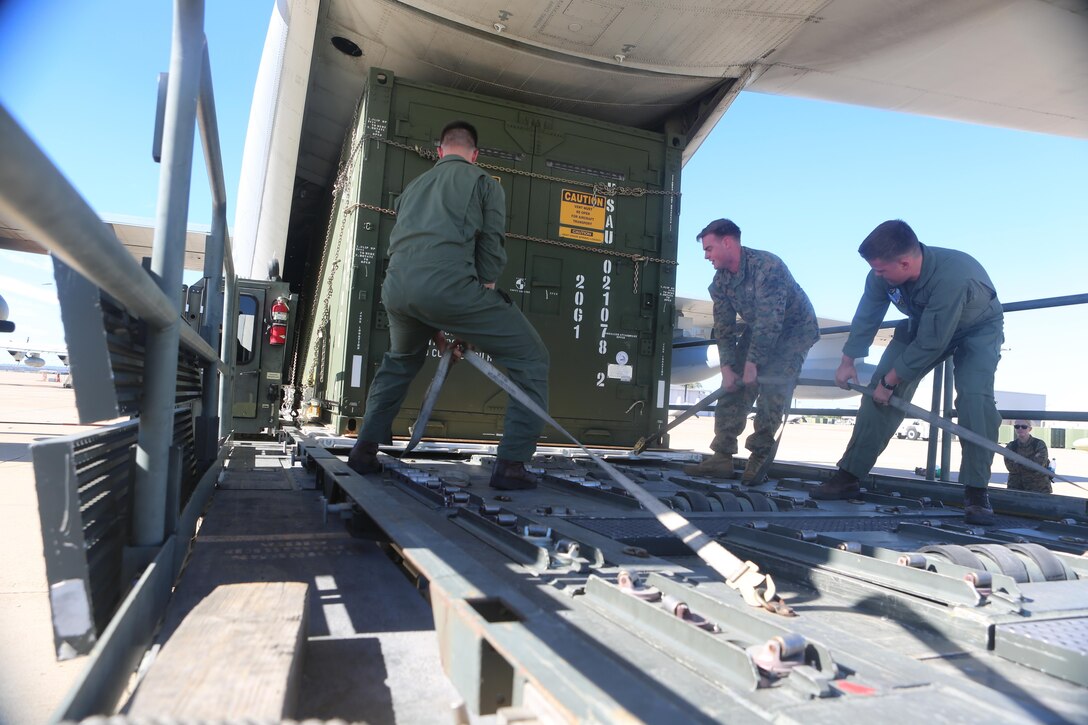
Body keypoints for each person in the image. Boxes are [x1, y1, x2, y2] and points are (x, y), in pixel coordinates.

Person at [346, 120, 549, 490]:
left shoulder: (412, 188)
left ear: (439, 151)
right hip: (448, 290)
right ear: (475, 155)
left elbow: (414, 250)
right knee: (531, 358)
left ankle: (363, 450)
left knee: (400, 361)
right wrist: (476, 303)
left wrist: (441, 326)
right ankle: (511, 465)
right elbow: (490, 248)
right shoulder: (484, 182)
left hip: (398, 291)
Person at [810, 220, 1004, 526]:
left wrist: (890, 382)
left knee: (974, 399)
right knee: (877, 392)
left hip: (977, 329)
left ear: (905, 263)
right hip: (924, 323)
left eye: (881, 270)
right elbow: (867, 314)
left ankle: (977, 492)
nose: (876, 275)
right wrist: (848, 361)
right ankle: (849, 476)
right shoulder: (881, 273)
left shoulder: (953, 276)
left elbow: (932, 342)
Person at [683, 219, 819, 484]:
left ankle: (759, 457)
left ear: (727, 242)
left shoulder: (767, 267)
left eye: (709, 249)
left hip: (794, 330)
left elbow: (771, 321)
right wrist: (727, 369)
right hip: (759, 329)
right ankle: (721, 457)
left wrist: (752, 364)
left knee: (772, 390)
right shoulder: (721, 282)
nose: (706, 256)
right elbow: (724, 327)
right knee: (733, 385)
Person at [1005, 420, 1052, 493]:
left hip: (1039, 488)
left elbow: (1038, 465)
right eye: (1017, 426)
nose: (1020, 429)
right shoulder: (1011, 446)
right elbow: (1010, 467)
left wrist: (1018, 461)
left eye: (1024, 427)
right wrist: (1031, 460)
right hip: (1016, 488)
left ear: (1030, 429)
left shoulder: (1039, 444)